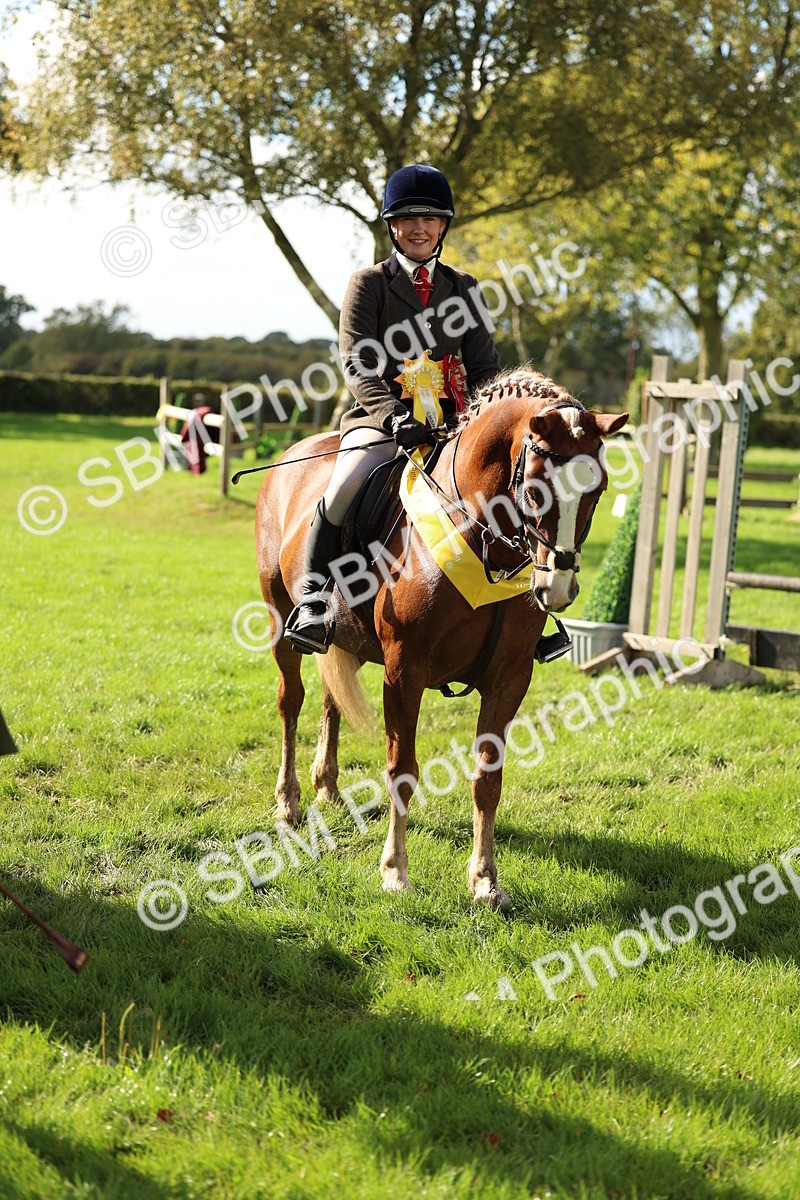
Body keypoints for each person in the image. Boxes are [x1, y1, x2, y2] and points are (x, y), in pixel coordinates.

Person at [285, 163, 500, 654]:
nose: (419, 228)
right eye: (408, 219)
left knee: (503, 486)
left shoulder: (464, 287)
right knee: (345, 483)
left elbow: (485, 367)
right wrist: (393, 417)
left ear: (443, 226)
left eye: (429, 219)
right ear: (392, 226)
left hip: (453, 426)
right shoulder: (369, 284)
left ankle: (526, 610)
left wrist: (481, 421)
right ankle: (314, 598)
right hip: (382, 424)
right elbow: (356, 362)